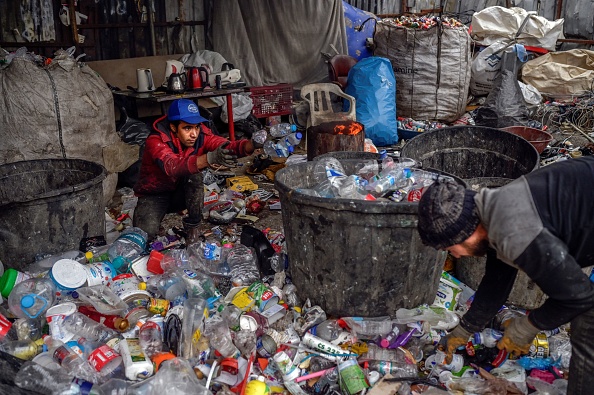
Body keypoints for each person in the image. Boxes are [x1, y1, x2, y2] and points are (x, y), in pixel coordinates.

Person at [417, 156, 594, 394]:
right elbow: (497, 281)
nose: (456, 256)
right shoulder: (492, 210)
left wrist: (527, 327)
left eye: (451, 248)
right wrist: (465, 330)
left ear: (465, 233)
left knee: (588, 324)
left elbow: (578, 297)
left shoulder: (514, 232)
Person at [133, 99, 260, 241]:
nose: (194, 134)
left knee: (194, 177)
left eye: (196, 127)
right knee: (145, 235)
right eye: (187, 128)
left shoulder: (201, 135)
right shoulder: (156, 140)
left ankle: (193, 227)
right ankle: (154, 221)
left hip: (180, 192)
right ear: (173, 127)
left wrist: (250, 145)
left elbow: (223, 146)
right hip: (154, 195)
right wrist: (208, 159)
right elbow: (172, 166)